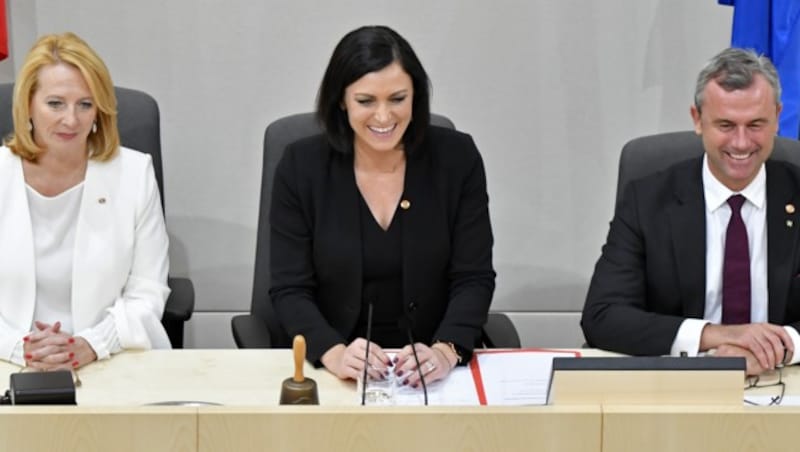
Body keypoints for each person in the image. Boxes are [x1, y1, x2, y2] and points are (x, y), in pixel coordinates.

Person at [270, 25, 495, 386]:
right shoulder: (301, 167)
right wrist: (333, 352)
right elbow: (289, 288)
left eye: (397, 98)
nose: (383, 117)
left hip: (433, 373)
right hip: (333, 370)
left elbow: (473, 277)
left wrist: (445, 350)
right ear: (341, 99)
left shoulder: (457, 159)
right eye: (366, 101)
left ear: (415, 97)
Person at [582, 47, 800, 376]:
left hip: (783, 382)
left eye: (755, 124)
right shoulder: (647, 200)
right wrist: (717, 336)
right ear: (697, 120)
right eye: (726, 125)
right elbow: (603, 315)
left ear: (777, 118)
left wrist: (777, 348)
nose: (741, 143)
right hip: (678, 385)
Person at [0, 32, 171, 371]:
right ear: (28, 105)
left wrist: (93, 344)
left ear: (100, 111)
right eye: (55, 103)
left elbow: (147, 292)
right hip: (6, 362)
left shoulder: (134, 174)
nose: (71, 120)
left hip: (110, 361)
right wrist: (22, 350)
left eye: (85, 104)